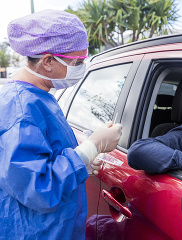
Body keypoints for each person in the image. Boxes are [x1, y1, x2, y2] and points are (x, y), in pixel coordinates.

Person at [0, 10, 122, 240]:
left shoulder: (39, 96)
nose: (80, 68)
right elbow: (38, 189)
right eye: (76, 62)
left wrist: (81, 162)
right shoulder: (19, 107)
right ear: (47, 61)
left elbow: (42, 159)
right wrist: (90, 148)